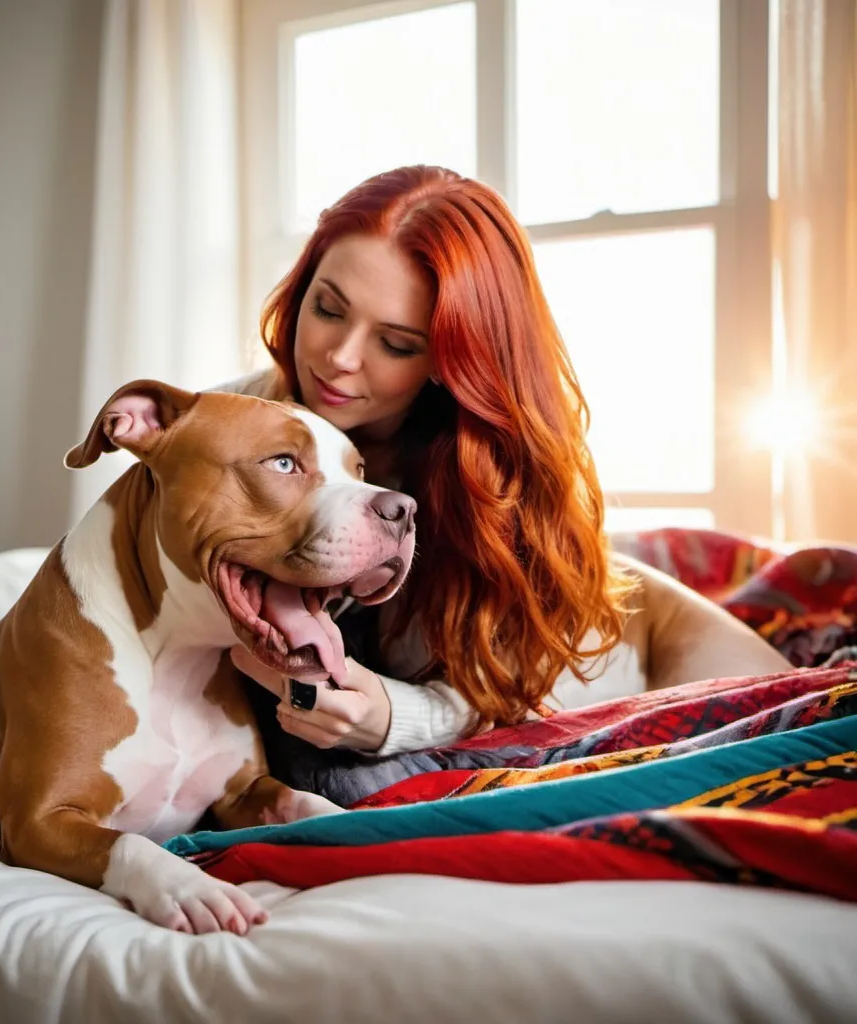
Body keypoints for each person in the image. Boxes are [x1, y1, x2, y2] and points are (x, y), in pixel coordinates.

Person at [219, 165, 790, 759]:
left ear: (450, 358)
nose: (339, 357)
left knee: (792, 735)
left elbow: (509, 690)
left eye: (396, 344)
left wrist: (393, 718)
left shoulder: (497, 475)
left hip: (634, 635)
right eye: (329, 309)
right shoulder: (223, 432)